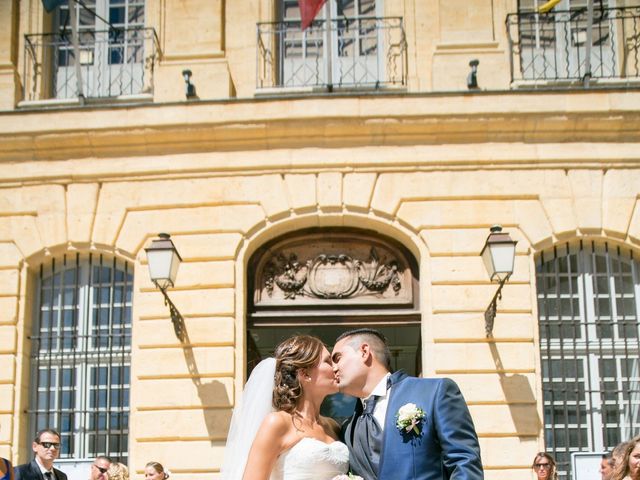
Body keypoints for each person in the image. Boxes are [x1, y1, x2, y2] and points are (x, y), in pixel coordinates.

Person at [331, 328, 483, 480]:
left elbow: (464, 462)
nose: (334, 368)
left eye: (338, 358)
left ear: (364, 352)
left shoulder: (433, 392)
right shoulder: (347, 429)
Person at [220, 335, 349, 480]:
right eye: (328, 361)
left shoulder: (333, 426)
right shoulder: (277, 423)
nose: (336, 368)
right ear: (305, 374)